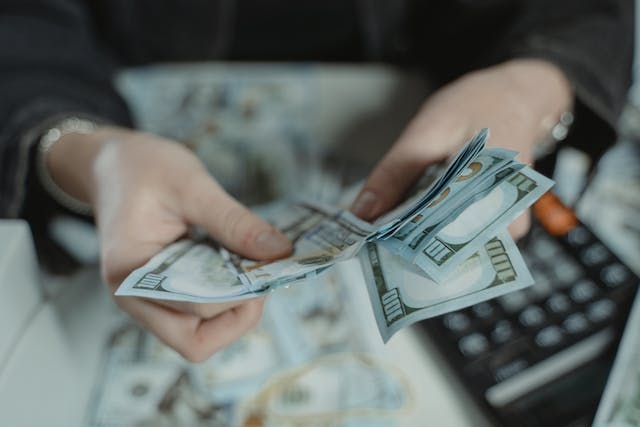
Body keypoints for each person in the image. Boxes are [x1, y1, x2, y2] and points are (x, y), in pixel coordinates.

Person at [0, 0, 633, 362]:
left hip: (404, 136)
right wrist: (81, 150)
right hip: (113, 173)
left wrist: (538, 83)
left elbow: (586, 11)